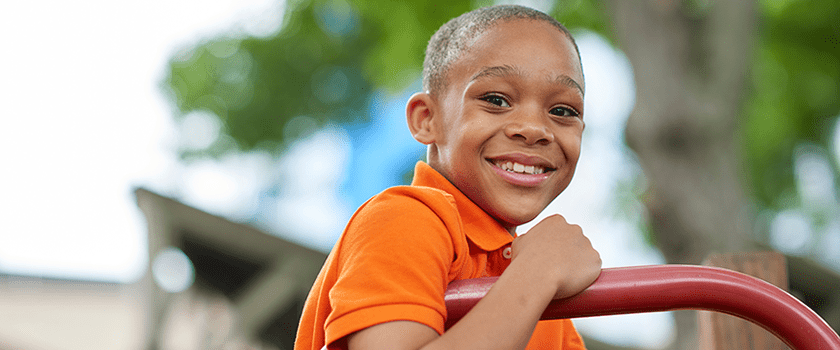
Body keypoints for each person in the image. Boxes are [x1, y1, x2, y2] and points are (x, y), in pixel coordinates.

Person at [295, 5, 601, 350]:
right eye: (496, 100)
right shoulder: (406, 219)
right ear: (427, 119)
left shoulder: (538, 284)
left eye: (562, 111)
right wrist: (537, 274)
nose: (534, 129)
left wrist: (537, 273)